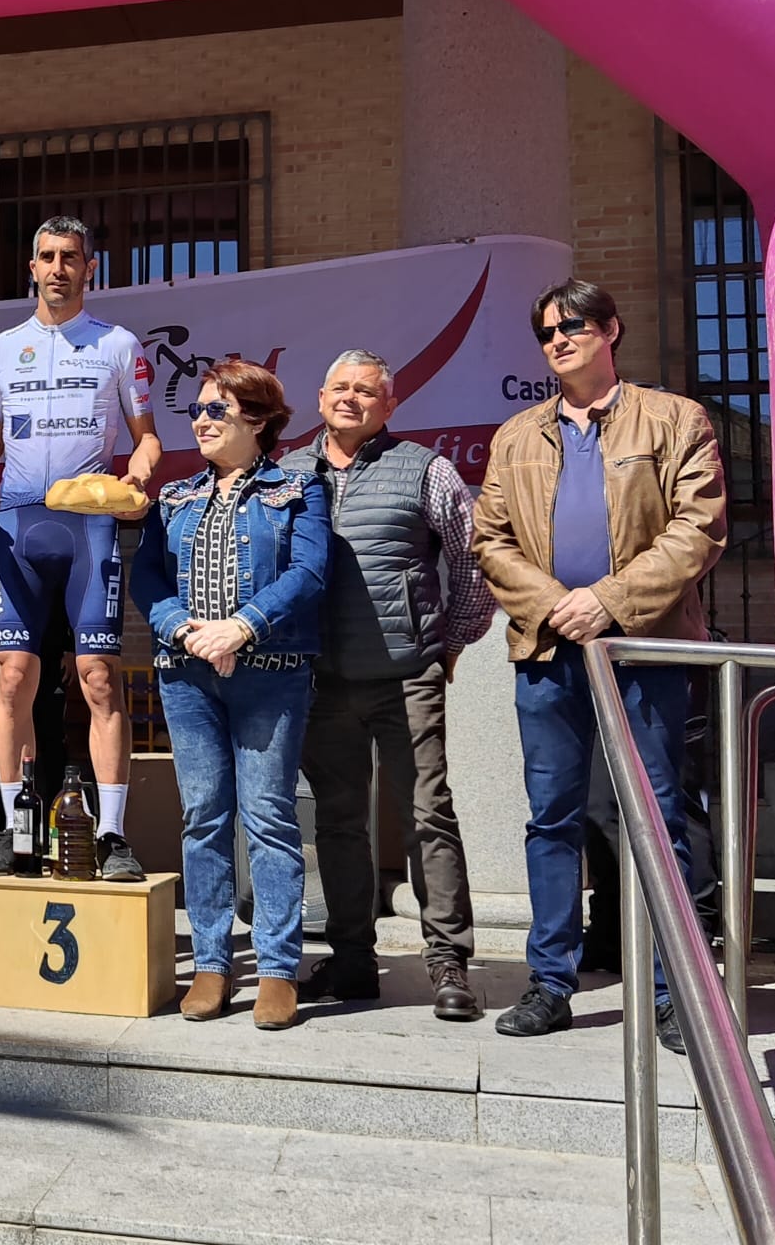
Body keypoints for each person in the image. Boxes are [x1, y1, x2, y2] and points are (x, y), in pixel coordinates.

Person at [473, 279, 726, 1052]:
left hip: (642, 646)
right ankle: (552, 983)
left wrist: (608, 602)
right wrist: (558, 605)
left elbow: (700, 526)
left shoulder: (675, 418)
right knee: (552, 819)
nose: (558, 338)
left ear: (611, 329)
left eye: (573, 324)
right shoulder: (516, 435)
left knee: (655, 816)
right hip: (550, 650)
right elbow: (489, 541)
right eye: (546, 330)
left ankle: (671, 991)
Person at [0, 216, 162, 882]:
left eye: (71, 257)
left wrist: (139, 474)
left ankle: (114, 834)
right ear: (30, 267)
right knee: (11, 677)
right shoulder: (3, 349)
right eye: (47, 257)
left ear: (89, 268)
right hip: (18, 526)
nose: (58, 267)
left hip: (88, 527)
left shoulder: (118, 344)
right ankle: (17, 829)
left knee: (98, 678)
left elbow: (146, 437)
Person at [279, 350, 493, 1022]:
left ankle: (448, 962)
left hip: (406, 676)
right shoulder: (286, 472)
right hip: (322, 682)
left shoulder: (426, 469)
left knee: (429, 815)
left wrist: (451, 643)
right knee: (339, 822)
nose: (351, 399)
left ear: (389, 406)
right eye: (339, 388)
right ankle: (351, 961)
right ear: (319, 399)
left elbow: (471, 558)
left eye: (366, 391)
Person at [131, 359, 327, 1031]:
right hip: (186, 675)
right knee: (204, 815)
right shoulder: (174, 497)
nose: (202, 421)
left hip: (270, 672)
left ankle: (277, 971)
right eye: (199, 410)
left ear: (259, 419)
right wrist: (181, 627)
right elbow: (147, 577)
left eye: (218, 409)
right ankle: (212, 963)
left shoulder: (298, 490)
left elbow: (309, 572)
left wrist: (242, 627)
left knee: (269, 818)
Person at [0, 544, 71, 821]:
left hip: (50, 658)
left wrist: (70, 647)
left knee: (51, 737)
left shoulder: (51, 559)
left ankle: (55, 815)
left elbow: (68, 603)